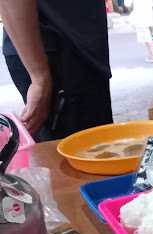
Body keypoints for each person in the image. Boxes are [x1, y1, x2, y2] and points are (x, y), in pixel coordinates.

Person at [0, 0, 113, 142]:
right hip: (56, 53)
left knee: (97, 147)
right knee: (74, 156)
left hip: (78, 51)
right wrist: (39, 77)